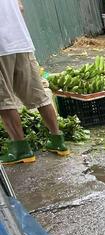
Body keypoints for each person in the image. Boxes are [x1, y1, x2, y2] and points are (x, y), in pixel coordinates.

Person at [0, 0, 69, 165]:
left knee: (4, 100)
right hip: (21, 42)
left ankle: (21, 149)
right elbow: (20, 8)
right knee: (38, 94)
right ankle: (57, 141)